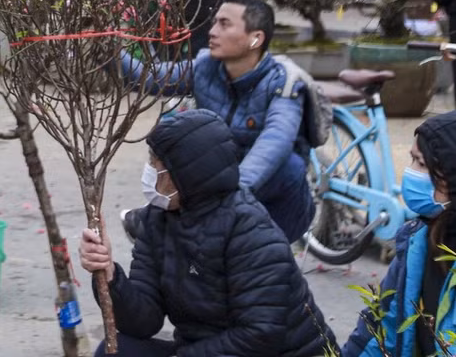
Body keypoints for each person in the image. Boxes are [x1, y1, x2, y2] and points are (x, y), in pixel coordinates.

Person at [79, 110, 337, 357]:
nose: (149, 172)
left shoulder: (252, 232)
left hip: (278, 353)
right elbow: (143, 321)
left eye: (155, 165)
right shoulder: (156, 219)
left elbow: (261, 335)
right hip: (206, 349)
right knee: (115, 351)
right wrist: (110, 275)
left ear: (186, 174)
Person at [118, 0, 312, 242]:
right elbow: (152, 80)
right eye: (215, 22)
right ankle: (165, 225)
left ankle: (167, 226)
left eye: (225, 24)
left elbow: (275, 142)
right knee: (183, 137)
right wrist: (107, 49)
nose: (212, 31)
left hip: (276, 206)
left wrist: (227, 194)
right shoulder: (206, 67)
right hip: (222, 194)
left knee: (290, 165)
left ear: (255, 39)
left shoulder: (283, 83)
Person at [341, 110, 456, 356]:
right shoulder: (421, 235)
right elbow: (381, 328)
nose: (410, 172)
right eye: (412, 160)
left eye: (421, 164)